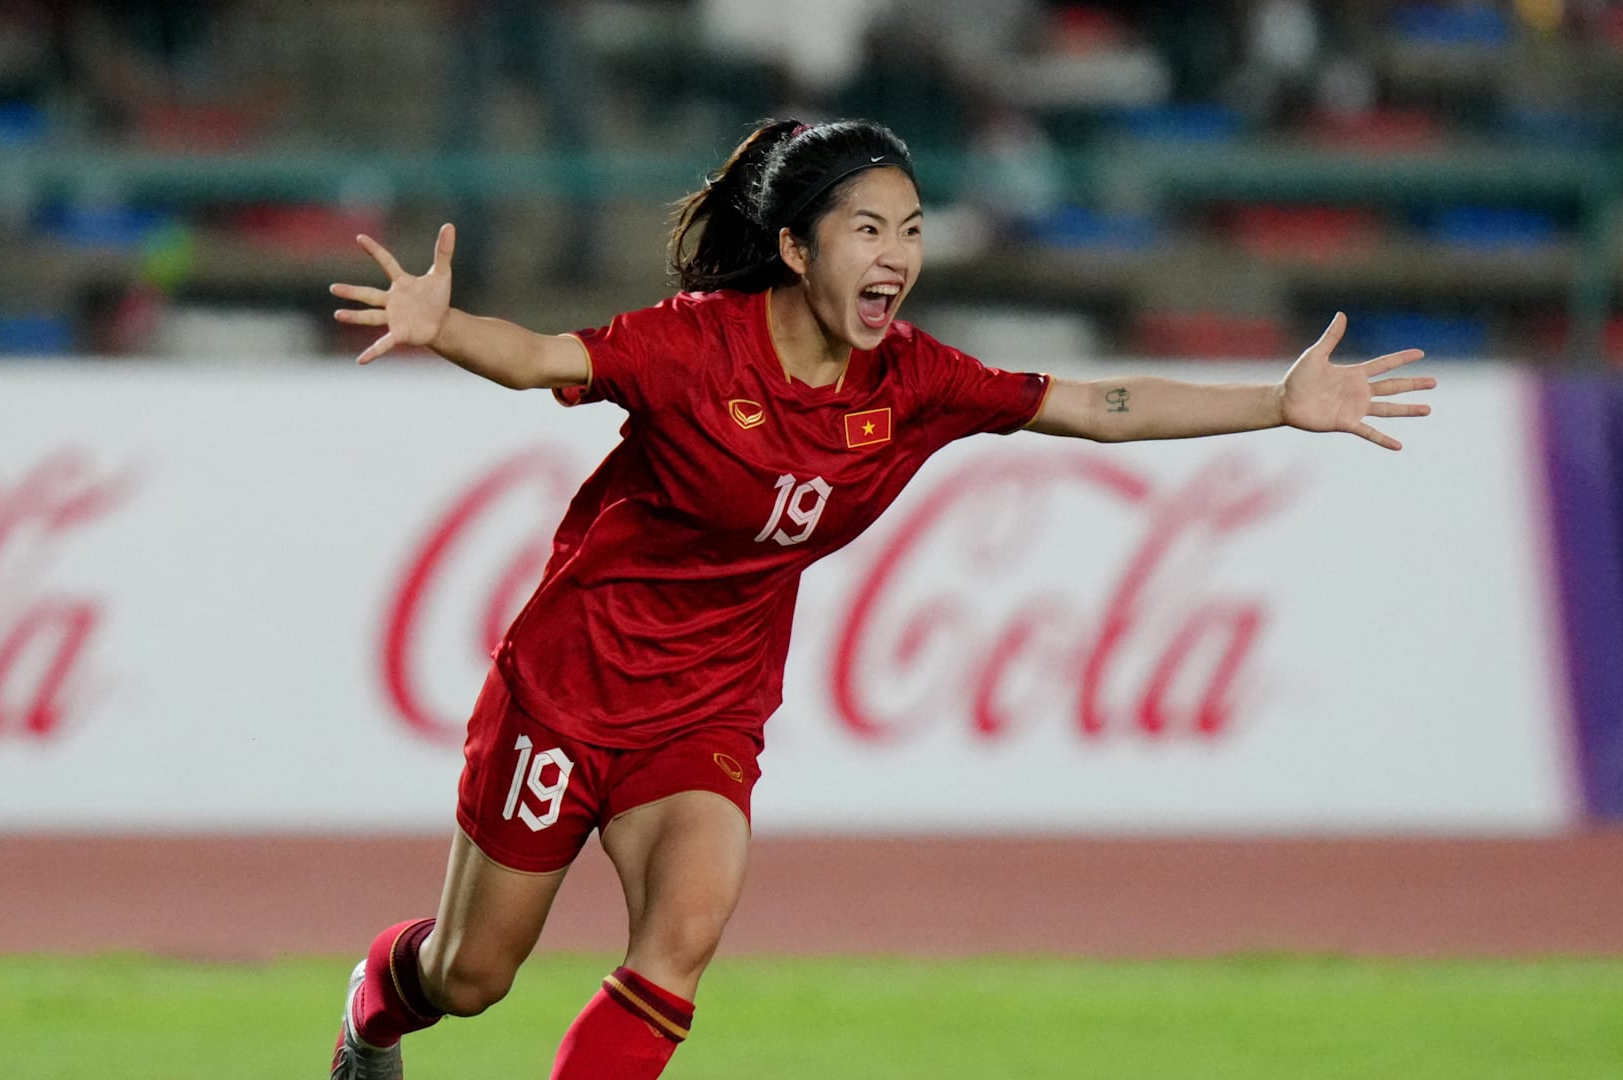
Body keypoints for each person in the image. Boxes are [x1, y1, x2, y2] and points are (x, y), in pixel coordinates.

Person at [324, 117, 1433, 1080]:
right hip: (570, 692)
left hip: (707, 713)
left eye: (911, 229)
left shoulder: (913, 381)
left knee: (682, 942)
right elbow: (535, 358)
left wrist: (1278, 402)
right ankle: (374, 1004)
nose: (896, 254)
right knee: (470, 977)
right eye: (869, 229)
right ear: (797, 248)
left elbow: (1101, 404)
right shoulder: (693, 346)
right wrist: (445, 328)